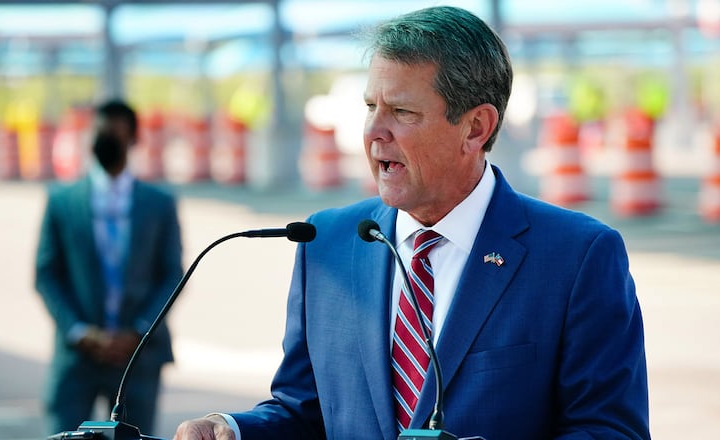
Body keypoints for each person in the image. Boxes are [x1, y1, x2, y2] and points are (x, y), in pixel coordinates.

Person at [174, 6, 649, 440]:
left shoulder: (578, 256)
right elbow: (305, 411)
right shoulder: (326, 243)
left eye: (402, 112)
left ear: (475, 128)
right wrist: (232, 430)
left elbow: (611, 430)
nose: (374, 132)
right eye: (370, 108)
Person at [35, 99, 183, 436]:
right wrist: (80, 331)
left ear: (133, 139)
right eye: (101, 132)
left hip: (137, 358)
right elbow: (47, 274)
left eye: (115, 134)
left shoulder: (159, 204)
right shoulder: (62, 200)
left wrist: (139, 330)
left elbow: (172, 275)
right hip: (78, 357)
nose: (106, 140)